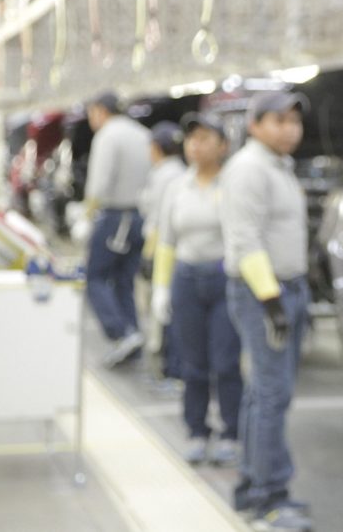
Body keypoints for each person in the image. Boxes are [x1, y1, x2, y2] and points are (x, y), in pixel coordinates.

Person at [220, 91, 313, 531]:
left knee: (265, 393)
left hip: (285, 288)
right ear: (254, 124)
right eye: (278, 120)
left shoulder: (278, 165)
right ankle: (266, 500)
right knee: (271, 395)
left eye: (294, 121)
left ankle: (253, 487)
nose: (289, 129)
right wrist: (271, 301)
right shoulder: (249, 169)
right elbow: (245, 239)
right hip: (264, 293)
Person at [151, 112, 242, 466]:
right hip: (186, 278)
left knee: (226, 361)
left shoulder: (232, 185)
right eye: (192, 139)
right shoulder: (177, 188)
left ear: (223, 145)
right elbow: (166, 242)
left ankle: (232, 431)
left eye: (205, 138)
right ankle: (196, 430)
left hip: (223, 278)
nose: (196, 145)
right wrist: (161, 287)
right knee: (192, 363)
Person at [84, 90, 152, 367]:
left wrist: (87, 215)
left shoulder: (108, 135)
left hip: (114, 218)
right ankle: (133, 339)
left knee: (95, 277)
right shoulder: (141, 133)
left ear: (100, 110)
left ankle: (120, 332)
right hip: (139, 217)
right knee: (125, 282)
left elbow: (100, 182)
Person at [140, 120, 186, 379]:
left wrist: (149, 255)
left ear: (157, 148)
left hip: (164, 251)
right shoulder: (180, 172)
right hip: (176, 251)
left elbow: (158, 220)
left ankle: (173, 370)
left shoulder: (162, 176)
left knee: (166, 313)